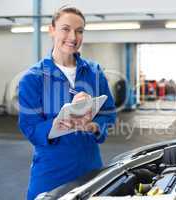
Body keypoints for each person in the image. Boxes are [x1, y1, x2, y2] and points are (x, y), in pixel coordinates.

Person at [18, 6, 116, 200]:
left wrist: (95, 126)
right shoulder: (33, 78)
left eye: (79, 31)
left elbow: (109, 113)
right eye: (66, 29)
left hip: (90, 166)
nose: (73, 36)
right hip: (52, 170)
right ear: (51, 30)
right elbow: (29, 126)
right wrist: (55, 124)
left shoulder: (94, 72)